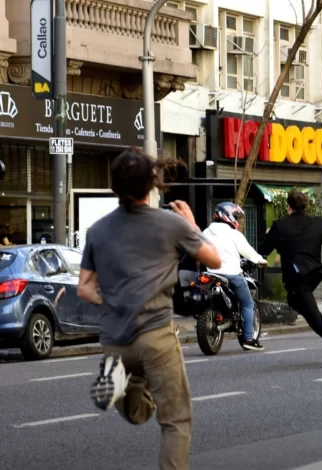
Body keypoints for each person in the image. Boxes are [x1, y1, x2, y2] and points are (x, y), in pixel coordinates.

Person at [78, 147, 221, 470]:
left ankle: (120, 383)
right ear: (152, 183)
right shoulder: (171, 224)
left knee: (139, 410)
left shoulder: (97, 231)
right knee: (176, 420)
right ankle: (122, 384)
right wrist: (193, 225)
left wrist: (113, 300)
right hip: (156, 336)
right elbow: (214, 259)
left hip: (115, 340)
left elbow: (84, 289)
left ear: (115, 186)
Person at [258, 190, 322, 366]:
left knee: (312, 317)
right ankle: (321, 323)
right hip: (314, 274)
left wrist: (269, 232)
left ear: (288, 206)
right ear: (306, 206)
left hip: (297, 277)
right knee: (294, 301)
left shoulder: (281, 225)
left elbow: (263, 248)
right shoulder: (318, 223)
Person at [203, 202, 268, 351]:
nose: (237, 220)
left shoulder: (205, 232)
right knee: (247, 303)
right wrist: (260, 260)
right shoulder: (233, 234)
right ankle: (249, 340)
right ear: (228, 216)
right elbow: (248, 251)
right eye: (236, 216)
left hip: (210, 274)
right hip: (231, 274)